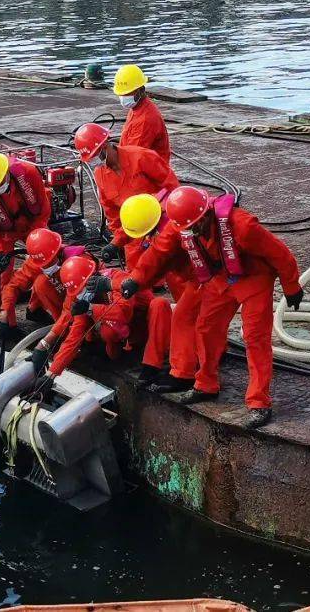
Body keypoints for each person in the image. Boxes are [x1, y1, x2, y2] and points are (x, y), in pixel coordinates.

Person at [138, 186, 303, 429]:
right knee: (206, 328)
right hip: (221, 279)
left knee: (255, 338)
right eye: (188, 229)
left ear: (205, 214)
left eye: (195, 226)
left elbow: (280, 254)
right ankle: (205, 384)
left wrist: (291, 287)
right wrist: (135, 279)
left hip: (254, 280)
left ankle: (259, 403)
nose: (192, 232)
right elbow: (157, 253)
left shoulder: (243, 226)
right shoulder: (184, 226)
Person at [120, 194, 204, 390]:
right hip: (199, 275)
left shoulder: (169, 231)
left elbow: (155, 256)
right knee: (193, 318)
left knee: (184, 317)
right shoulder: (167, 226)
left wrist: (134, 280)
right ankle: (196, 364)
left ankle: (185, 374)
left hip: (204, 277)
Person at [74, 123, 180, 268]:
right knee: (136, 279)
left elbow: (172, 188)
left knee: (173, 272)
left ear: (105, 146)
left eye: (94, 156)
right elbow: (112, 213)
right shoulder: (101, 175)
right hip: (133, 236)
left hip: (161, 226)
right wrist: (117, 242)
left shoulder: (141, 157)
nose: (94, 162)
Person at [0, 151, 51, 323]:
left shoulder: (29, 173)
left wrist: (36, 240)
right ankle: (5, 323)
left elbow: (43, 210)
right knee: (3, 276)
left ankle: (35, 307)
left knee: (46, 261)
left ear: (6, 171)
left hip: (32, 224)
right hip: (4, 233)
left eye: (0, 182)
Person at [27, 256, 134, 377]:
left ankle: (119, 354)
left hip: (137, 324)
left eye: (84, 287)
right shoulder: (81, 297)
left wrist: (90, 309)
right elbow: (74, 335)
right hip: (110, 324)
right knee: (88, 331)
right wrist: (50, 373)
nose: (82, 293)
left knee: (109, 332)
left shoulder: (117, 280)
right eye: (79, 290)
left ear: (94, 276)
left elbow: (123, 313)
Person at [0, 229, 85, 334]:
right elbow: (13, 285)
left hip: (80, 302)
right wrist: (4, 312)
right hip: (64, 299)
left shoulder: (78, 263)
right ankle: (61, 328)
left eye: (48, 263)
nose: (45, 266)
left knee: (81, 324)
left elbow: (71, 305)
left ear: (57, 252)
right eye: (43, 264)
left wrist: (51, 336)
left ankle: (66, 329)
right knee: (41, 283)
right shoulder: (37, 260)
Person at [114, 64, 170, 162]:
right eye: (121, 94)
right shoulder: (137, 108)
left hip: (150, 171)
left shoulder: (146, 119)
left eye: (127, 93)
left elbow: (132, 157)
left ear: (141, 90)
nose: (123, 97)